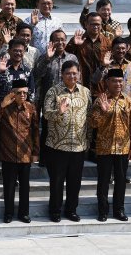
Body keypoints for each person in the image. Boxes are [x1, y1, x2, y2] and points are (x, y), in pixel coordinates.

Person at [43, 60, 92, 223]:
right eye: (68, 73)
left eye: (74, 73)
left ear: (79, 74)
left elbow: (90, 117)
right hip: (57, 145)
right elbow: (46, 115)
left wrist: (88, 141)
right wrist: (59, 111)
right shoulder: (53, 91)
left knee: (74, 182)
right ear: (62, 74)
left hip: (78, 145)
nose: (72, 76)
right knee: (57, 181)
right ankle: (55, 210)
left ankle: (71, 210)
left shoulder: (85, 92)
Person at [0, 38, 35, 187]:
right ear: (9, 51)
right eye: (15, 50)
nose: (18, 53)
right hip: (0, 114)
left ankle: (15, 176)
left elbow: (31, 93)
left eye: (21, 50)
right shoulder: (1, 67)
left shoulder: (27, 70)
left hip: (18, 115)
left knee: (16, 144)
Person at [89, 69, 131, 222]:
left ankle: (119, 210)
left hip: (123, 147)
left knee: (121, 181)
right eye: (114, 81)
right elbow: (93, 123)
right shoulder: (100, 100)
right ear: (107, 82)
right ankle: (103, 211)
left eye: (120, 81)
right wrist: (103, 111)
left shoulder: (128, 100)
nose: (118, 84)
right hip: (104, 147)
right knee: (103, 181)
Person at [32, 30, 78, 165]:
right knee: (47, 128)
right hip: (49, 99)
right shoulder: (44, 56)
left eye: (63, 39)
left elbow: (77, 78)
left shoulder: (72, 58)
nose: (60, 42)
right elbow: (36, 75)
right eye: (57, 40)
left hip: (67, 98)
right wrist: (47, 58)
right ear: (51, 42)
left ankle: (63, 157)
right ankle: (45, 158)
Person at [0, 79, 39, 224]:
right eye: (19, 93)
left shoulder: (31, 108)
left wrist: (35, 152)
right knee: (9, 186)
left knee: (24, 186)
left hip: (25, 153)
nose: (22, 95)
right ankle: (8, 213)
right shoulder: (5, 108)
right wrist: (2, 105)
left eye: (25, 93)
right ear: (13, 94)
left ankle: (24, 213)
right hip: (8, 153)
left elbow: (35, 131)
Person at [65, 12, 112, 92]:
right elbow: (65, 55)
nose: (96, 27)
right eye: (92, 24)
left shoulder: (106, 42)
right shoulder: (78, 39)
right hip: (81, 82)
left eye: (98, 24)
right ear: (86, 24)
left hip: (100, 85)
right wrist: (74, 44)